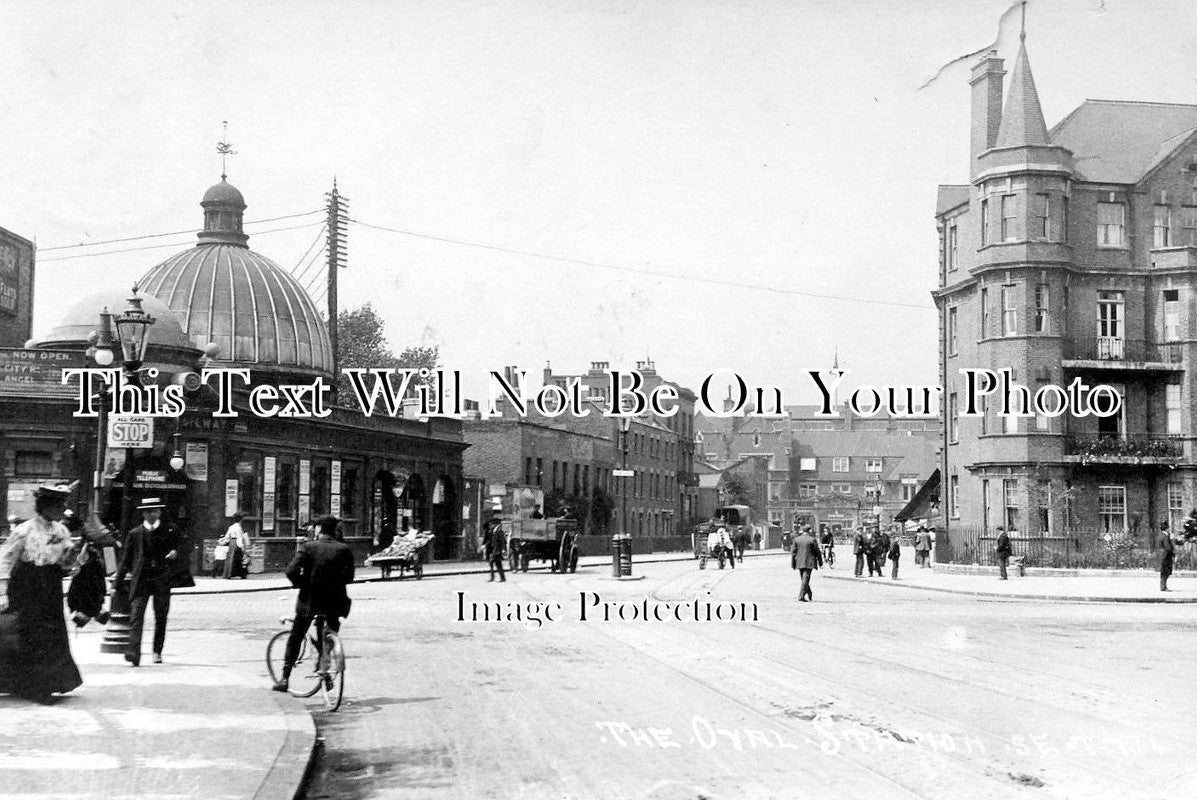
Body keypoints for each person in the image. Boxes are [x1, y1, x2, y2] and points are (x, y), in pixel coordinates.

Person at [0, 483, 87, 702]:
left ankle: (49, 684)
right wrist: (2, 592)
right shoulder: (24, 530)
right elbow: (5, 560)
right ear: (44, 506)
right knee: (30, 635)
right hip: (26, 585)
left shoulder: (62, 531)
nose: (62, 510)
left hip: (51, 585)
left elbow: (65, 564)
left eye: (62, 506)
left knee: (52, 634)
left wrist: (73, 560)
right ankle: (35, 688)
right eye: (58, 506)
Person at [273, 515, 355, 692]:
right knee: (328, 633)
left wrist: (303, 584)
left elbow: (291, 570)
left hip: (310, 600)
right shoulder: (344, 549)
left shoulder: (309, 547)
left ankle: (285, 679)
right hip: (335, 602)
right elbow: (350, 577)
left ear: (319, 529)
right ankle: (324, 668)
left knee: (296, 636)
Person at [114, 497, 194, 666]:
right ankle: (134, 652)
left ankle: (157, 651)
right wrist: (116, 584)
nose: (152, 514)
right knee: (136, 616)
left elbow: (185, 546)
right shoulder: (135, 533)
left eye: (155, 511)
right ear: (143, 514)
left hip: (161, 580)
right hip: (141, 580)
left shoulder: (170, 530)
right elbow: (126, 560)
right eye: (148, 511)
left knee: (161, 616)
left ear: (159, 513)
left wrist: (175, 552)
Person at [791, 525, 823, 601]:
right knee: (805, 579)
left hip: (799, 561)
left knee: (804, 579)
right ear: (809, 531)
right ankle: (801, 596)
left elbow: (793, 553)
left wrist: (793, 563)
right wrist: (820, 562)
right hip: (809, 561)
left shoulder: (797, 540)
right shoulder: (812, 540)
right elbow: (817, 552)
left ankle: (809, 593)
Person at [220, 512, 250, 579]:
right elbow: (239, 538)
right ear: (240, 520)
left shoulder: (231, 527)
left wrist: (225, 542)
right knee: (239, 559)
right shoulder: (238, 528)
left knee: (231, 558)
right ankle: (242, 574)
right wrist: (242, 547)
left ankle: (228, 574)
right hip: (236, 543)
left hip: (231, 543)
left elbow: (227, 536)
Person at [483, 512, 507, 582]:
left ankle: (494, 577)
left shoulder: (499, 532)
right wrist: (486, 546)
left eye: (492, 524)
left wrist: (502, 550)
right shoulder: (492, 532)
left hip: (497, 550)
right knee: (497, 564)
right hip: (493, 550)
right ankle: (501, 578)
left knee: (493, 563)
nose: (490, 526)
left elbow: (503, 541)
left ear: (495, 524)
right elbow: (490, 541)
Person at [1159, 521, 1178, 592]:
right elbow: (1168, 547)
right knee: (1166, 572)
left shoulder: (1163, 535)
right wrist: (1173, 552)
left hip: (1164, 556)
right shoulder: (1165, 536)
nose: (1169, 529)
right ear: (1166, 529)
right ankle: (1163, 587)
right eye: (1168, 528)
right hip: (1166, 556)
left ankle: (1163, 586)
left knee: (1165, 572)